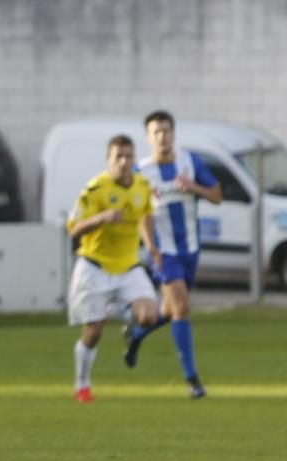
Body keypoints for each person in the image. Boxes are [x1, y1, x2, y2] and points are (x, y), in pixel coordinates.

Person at [125, 110, 223, 398]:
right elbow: (141, 214)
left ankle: (136, 336)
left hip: (191, 249)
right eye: (156, 132)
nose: (162, 137)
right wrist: (150, 248)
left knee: (170, 310)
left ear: (173, 134)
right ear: (148, 138)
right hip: (163, 252)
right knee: (182, 306)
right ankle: (192, 379)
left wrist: (193, 187)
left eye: (166, 131)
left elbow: (217, 195)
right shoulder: (141, 173)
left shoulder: (189, 161)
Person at [66, 135, 160, 403]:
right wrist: (101, 218)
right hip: (94, 267)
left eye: (128, 156)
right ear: (108, 160)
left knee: (149, 316)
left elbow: (145, 214)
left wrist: (151, 246)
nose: (124, 162)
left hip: (128, 266)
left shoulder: (142, 185)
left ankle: (124, 323)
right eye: (118, 157)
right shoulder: (95, 190)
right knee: (93, 332)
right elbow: (73, 228)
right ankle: (82, 384)